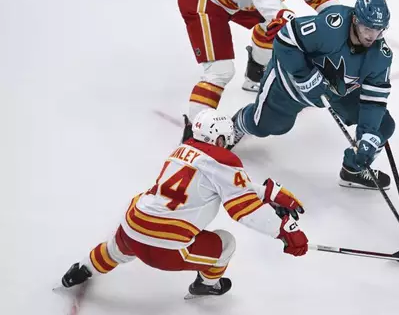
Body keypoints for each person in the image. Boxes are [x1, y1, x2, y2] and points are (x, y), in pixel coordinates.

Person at [60, 109, 308, 298]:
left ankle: (82, 269)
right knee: (226, 244)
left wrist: (268, 192)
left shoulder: (182, 151)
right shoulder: (222, 160)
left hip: (132, 230)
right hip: (167, 249)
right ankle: (207, 285)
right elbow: (245, 210)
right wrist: (285, 229)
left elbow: (219, 182)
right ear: (219, 139)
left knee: (116, 249)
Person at [230, 0, 395, 190]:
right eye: (367, 28)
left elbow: (374, 101)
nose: (372, 36)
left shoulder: (381, 56)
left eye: (378, 30)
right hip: (288, 83)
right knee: (264, 126)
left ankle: (353, 170)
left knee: (382, 126)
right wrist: (304, 76)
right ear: (354, 19)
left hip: (335, 91)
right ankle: (235, 126)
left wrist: (368, 136)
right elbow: (285, 39)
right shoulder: (331, 26)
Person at [179, 0, 340, 123]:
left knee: (272, 26)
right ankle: (195, 128)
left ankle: (255, 74)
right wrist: (293, 27)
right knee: (221, 70)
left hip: (239, 0)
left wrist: (340, 23)